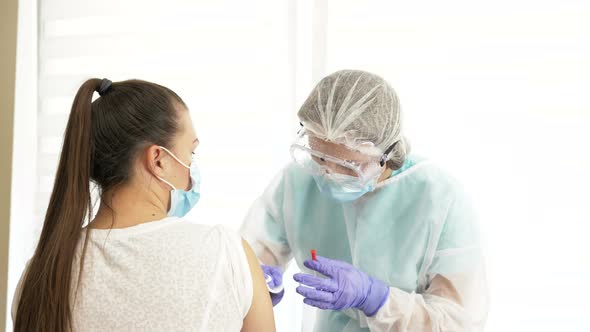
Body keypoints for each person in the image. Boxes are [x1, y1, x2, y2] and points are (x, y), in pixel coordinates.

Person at [11, 78, 275, 332]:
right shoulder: (226, 253)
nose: (193, 167)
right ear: (158, 159)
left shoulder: (42, 273)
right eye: (190, 153)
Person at [241, 70, 489, 331]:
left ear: (388, 154)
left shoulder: (440, 198)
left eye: (348, 165)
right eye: (319, 156)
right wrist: (253, 278)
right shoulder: (298, 181)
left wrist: (377, 299)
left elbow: (459, 322)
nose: (329, 174)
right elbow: (251, 254)